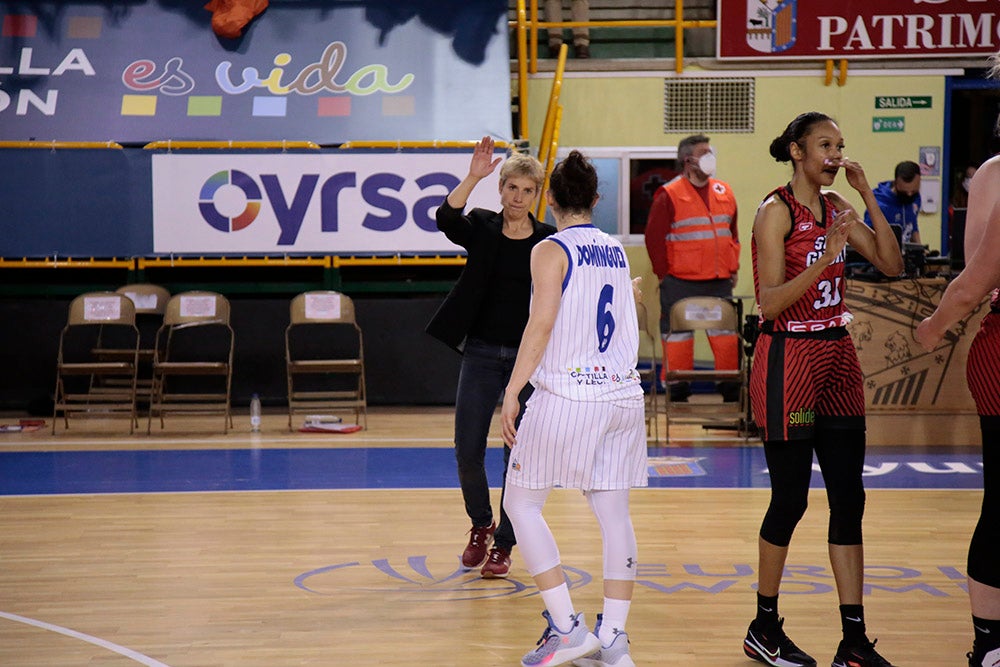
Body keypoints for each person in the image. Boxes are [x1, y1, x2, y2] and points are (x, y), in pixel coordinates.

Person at [743, 112, 904, 667]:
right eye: (825, 145)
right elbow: (769, 302)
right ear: (797, 151)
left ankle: (853, 640)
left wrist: (868, 196)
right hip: (789, 354)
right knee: (790, 498)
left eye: (840, 146)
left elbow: (891, 263)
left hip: (837, 354)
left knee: (849, 498)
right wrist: (829, 258)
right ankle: (764, 626)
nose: (835, 155)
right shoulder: (775, 211)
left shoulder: (838, 208)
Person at [499, 150, 645, 667]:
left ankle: (566, 628)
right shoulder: (616, 249)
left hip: (571, 395)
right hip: (623, 397)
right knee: (614, 515)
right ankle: (615, 639)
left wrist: (513, 389)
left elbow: (541, 324)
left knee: (521, 505)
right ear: (596, 199)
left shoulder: (549, 248)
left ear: (550, 201)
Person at [426, 136, 555, 579]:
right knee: (467, 448)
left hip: (528, 360)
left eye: (527, 190)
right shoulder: (481, 225)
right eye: (511, 188)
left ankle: (504, 544)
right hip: (480, 352)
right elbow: (445, 218)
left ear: (536, 195)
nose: (518, 197)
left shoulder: (548, 240)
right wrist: (472, 176)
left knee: (516, 455)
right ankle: (481, 524)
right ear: (501, 189)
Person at [915, 91, 1000, 667]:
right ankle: (990, 643)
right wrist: (934, 324)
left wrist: (934, 327)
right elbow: (975, 279)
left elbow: (972, 280)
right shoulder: (993, 175)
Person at [643, 134, 741, 402]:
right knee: (678, 337)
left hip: (719, 281)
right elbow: (654, 238)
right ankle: (678, 389)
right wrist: (663, 276)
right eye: (704, 153)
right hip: (679, 282)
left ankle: (730, 387)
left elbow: (732, 234)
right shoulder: (669, 194)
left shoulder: (724, 191)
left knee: (726, 336)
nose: (710, 157)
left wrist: (733, 269)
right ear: (688, 161)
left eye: (711, 152)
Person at [863, 160, 922, 245]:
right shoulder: (878, 204)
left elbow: (913, 226)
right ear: (895, 182)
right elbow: (868, 237)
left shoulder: (915, 198)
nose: (909, 194)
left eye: (913, 191)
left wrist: (920, 248)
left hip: (906, 250)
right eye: (904, 192)